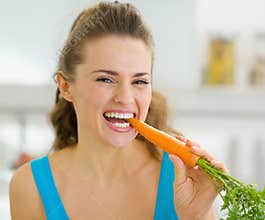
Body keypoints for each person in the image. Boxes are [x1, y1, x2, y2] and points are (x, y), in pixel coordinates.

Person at [9, 1, 228, 219]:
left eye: (140, 82)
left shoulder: (182, 182)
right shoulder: (31, 187)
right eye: (106, 79)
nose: (125, 97)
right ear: (66, 87)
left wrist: (195, 216)